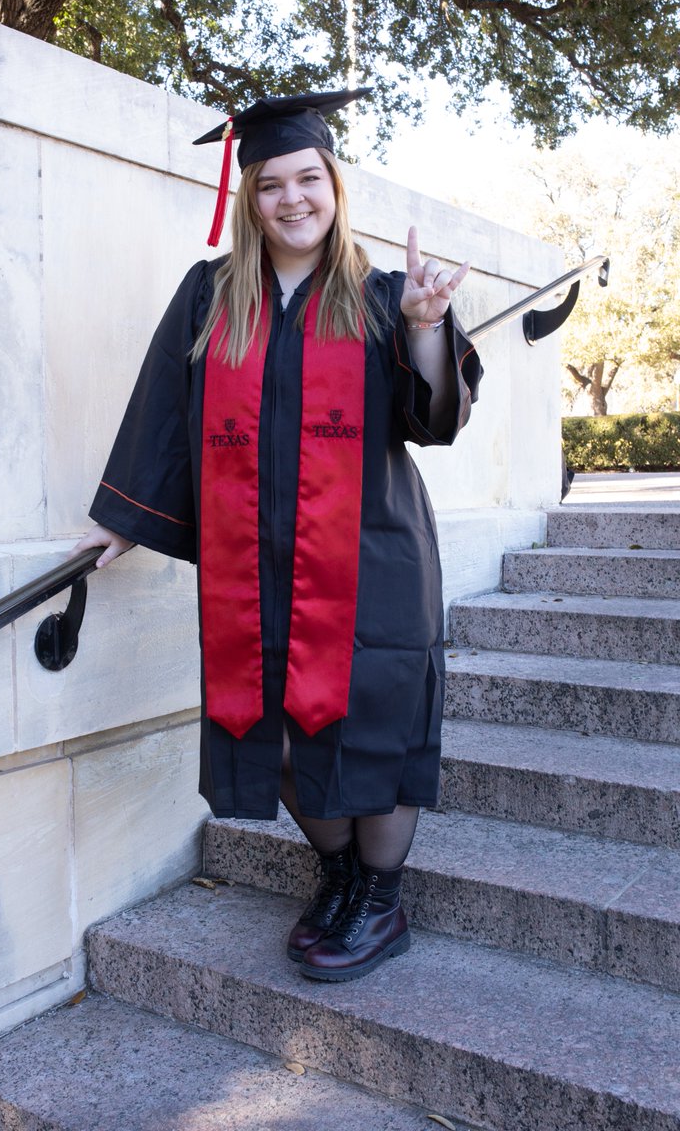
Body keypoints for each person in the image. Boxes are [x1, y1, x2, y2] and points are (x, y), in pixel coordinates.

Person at [72, 89, 482, 982]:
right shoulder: (210, 296)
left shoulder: (381, 296)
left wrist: (423, 328)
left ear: (334, 186)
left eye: (309, 179)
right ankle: (338, 875)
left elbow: (434, 418)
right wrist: (121, 522)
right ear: (249, 198)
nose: (293, 199)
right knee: (278, 729)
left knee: (370, 729)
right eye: (271, 185)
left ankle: (379, 898)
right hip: (251, 566)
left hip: (373, 557)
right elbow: (162, 415)